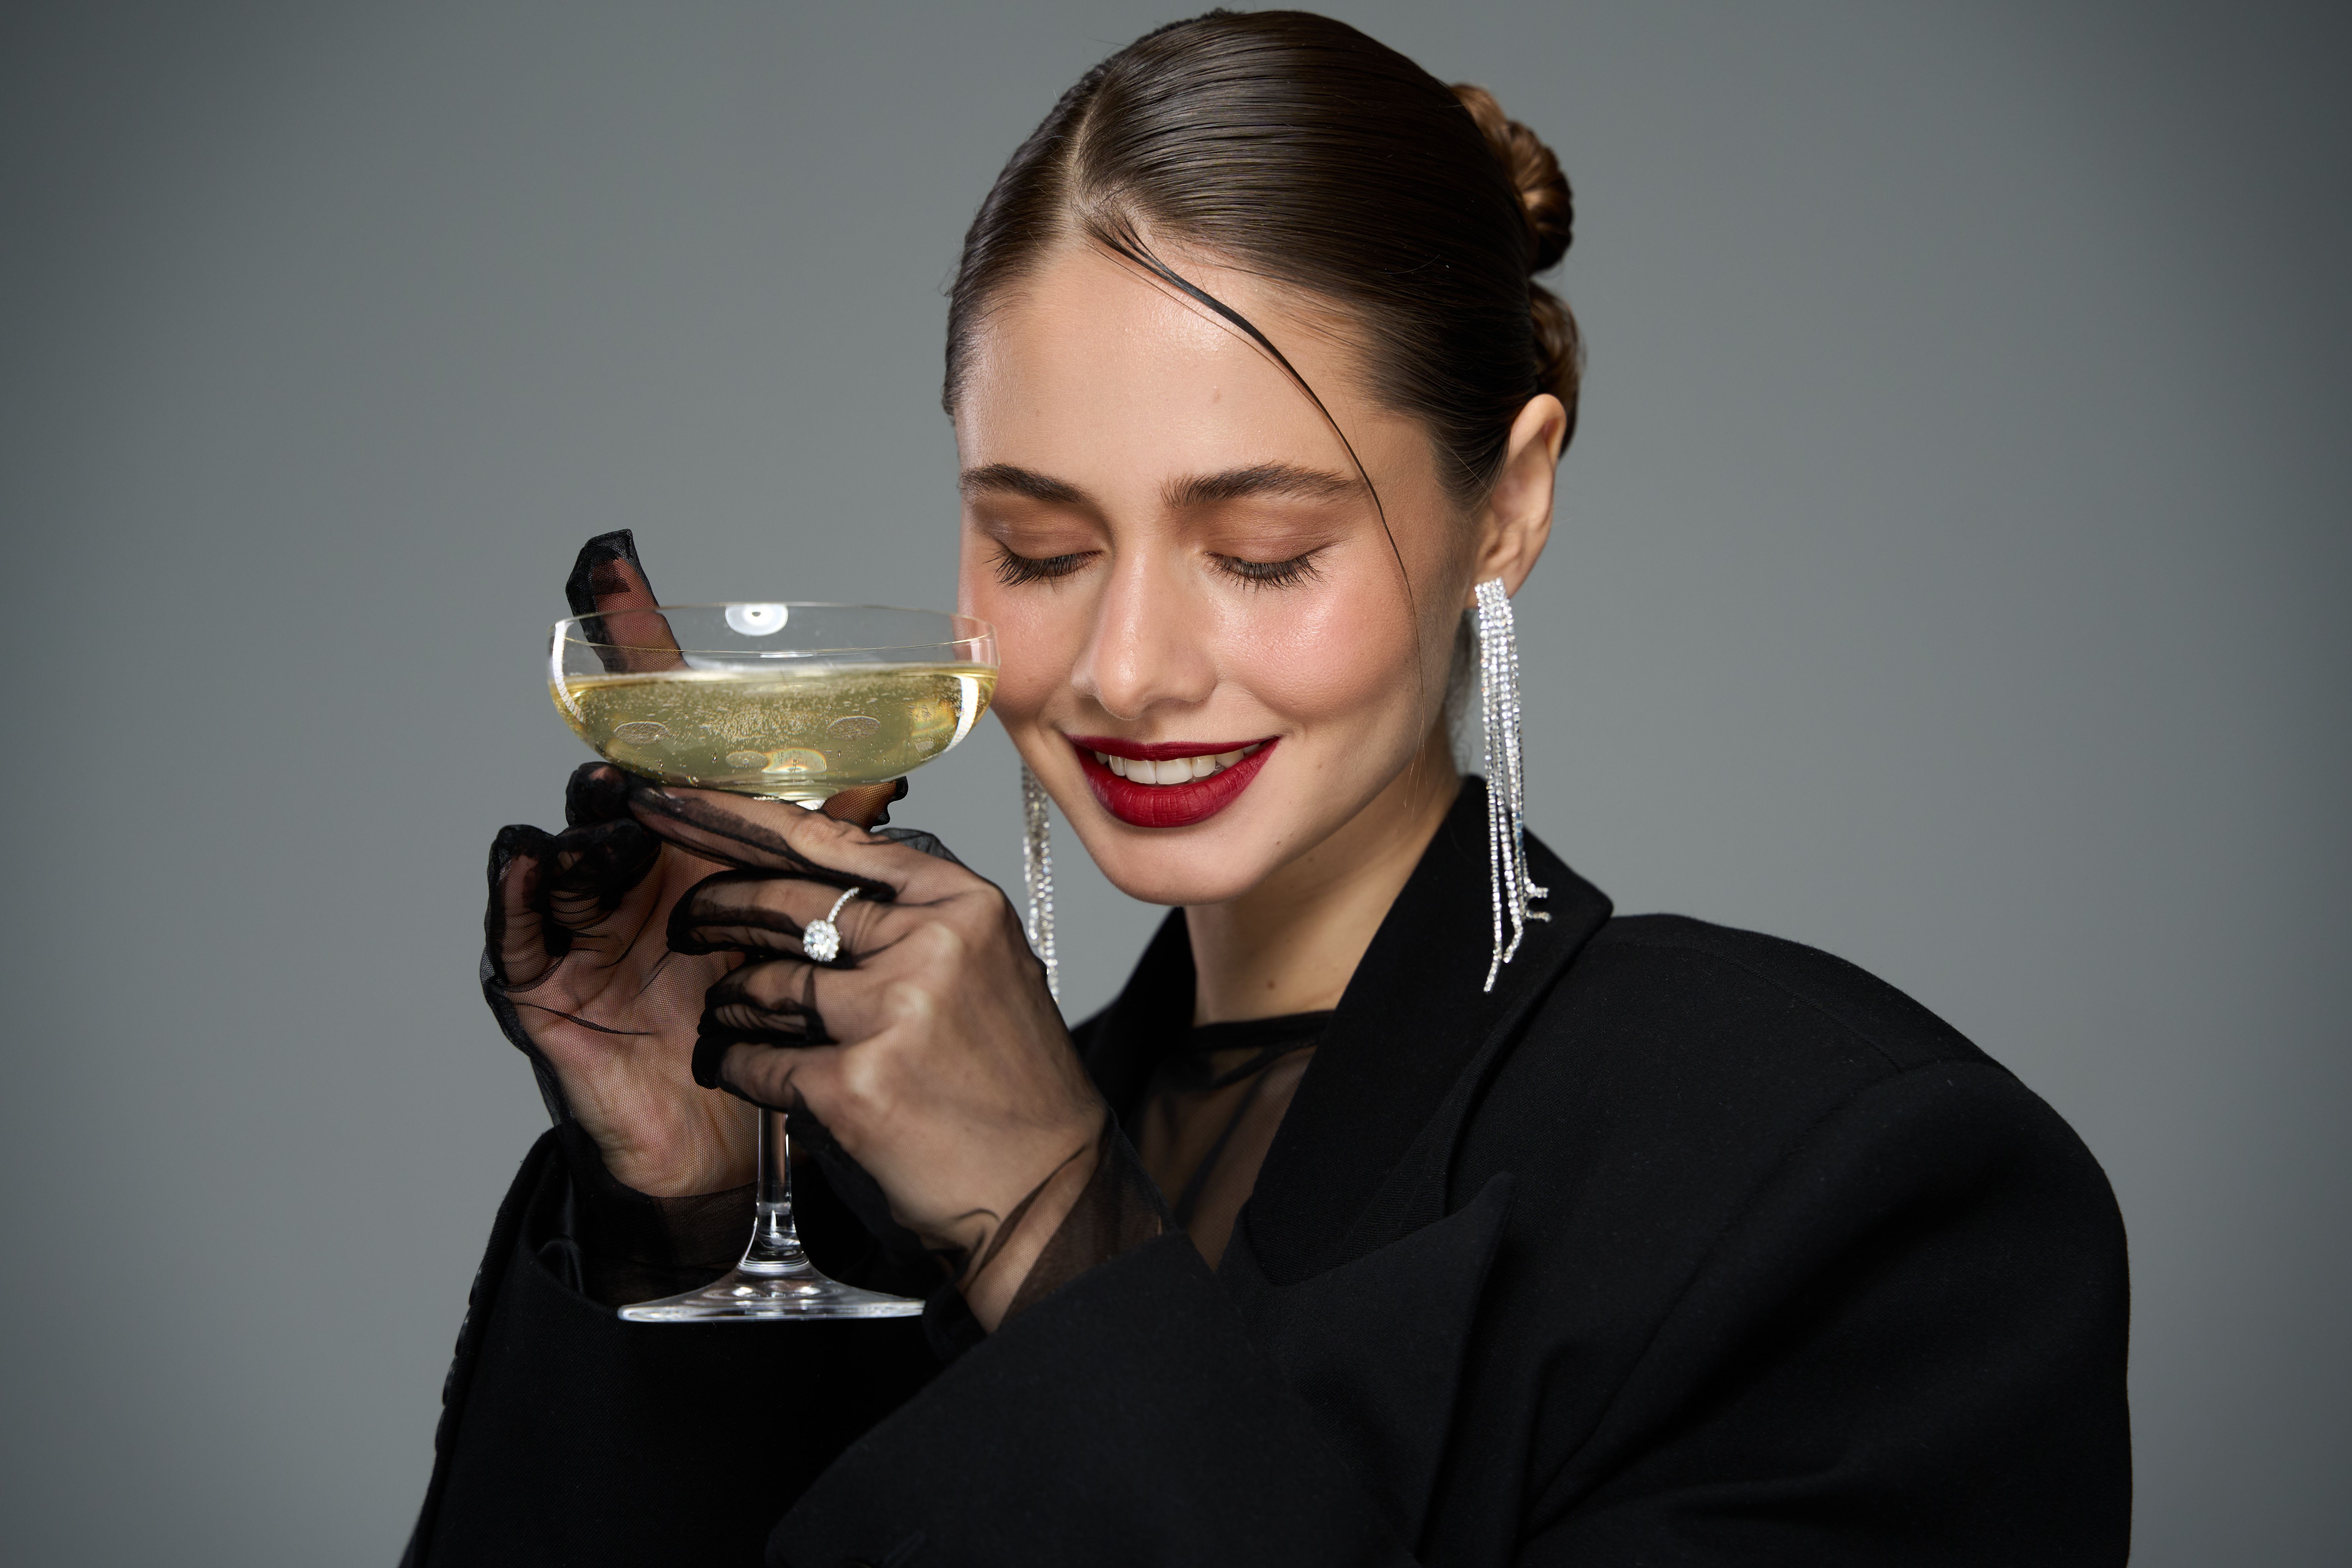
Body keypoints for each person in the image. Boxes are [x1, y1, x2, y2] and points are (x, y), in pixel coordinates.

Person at [404, 12, 2130, 1565]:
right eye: (1040, 544)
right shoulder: (894, 1185)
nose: (1131, 665)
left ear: (1511, 503)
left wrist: (1061, 1233)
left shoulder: (1847, 1178)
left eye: (1263, 549)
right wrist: (688, 1210)